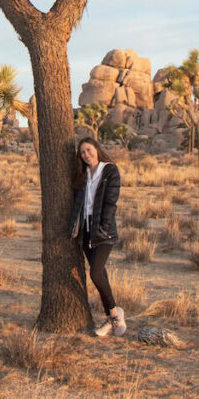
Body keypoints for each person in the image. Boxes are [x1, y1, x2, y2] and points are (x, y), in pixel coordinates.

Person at [70, 136, 126, 338]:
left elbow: (111, 200)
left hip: (103, 230)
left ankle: (114, 313)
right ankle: (111, 318)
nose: (86, 155)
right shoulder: (82, 174)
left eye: (88, 150)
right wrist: (75, 226)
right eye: (82, 152)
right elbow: (79, 203)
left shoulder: (109, 170)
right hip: (85, 229)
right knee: (100, 274)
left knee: (95, 273)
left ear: (96, 148)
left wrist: (104, 224)